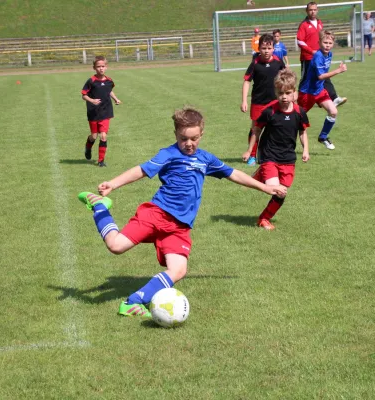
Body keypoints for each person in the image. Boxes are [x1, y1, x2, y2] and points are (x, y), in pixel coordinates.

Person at [77, 107, 287, 317]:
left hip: (180, 227)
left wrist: (266, 188)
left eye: (194, 138)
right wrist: (112, 184)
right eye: (183, 138)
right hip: (157, 214)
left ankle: (134, 302)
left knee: (179, 270)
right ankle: (100, 207)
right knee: (115, 246)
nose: (189, 144)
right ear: (176, 135)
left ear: (201, 135)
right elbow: (141, 170)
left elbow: (234, 174)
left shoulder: (205, 159)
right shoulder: (168, 154)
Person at [242, 69, 309, 230]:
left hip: (288, 159)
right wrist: (249, 150)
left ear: (294, 93)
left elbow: (303, 132)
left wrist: (305, 149)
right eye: (280, 93)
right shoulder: (269, 111)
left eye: (288, 93)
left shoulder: (300, 113)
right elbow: (256, 130)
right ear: (275, 92)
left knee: (282, 193)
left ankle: (260, 178)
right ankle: (264, 219)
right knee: (276, 190)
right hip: (269, 155)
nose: (284, 97)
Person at [241, 33, 286, 166]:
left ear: (273, 48)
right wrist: (244, 100)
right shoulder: (255, 63)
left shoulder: (278, 62)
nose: (266, 51)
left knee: (275, 129)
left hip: (274, 102)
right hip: (258, 102)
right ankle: (252, 155)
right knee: (255, 129)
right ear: (259, 49)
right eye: (263, 48)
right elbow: (247, 82)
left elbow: (286, 78)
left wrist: (292, 94)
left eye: (269, 48)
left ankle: (272, 154)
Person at [298, 30, 347, 150]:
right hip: (307, 93)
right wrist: (338, 71)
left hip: (319, 91)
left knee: (333, 112)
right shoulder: (318, 56)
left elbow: (321, 77)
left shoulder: (329, 54)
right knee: (297, 120)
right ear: (319, 42)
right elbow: (320, 76)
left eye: (330, 43)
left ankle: (323, 137)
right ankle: (283, 141)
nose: (327, 45)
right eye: (325, 42)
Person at [296, 1, 347, 107]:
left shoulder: (319, 23)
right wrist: (311, 51)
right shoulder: (304, 25)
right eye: (310, 10)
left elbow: (323, 37)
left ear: (317, 10)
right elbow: (300, 41)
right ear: (307, 11)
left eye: (314, 10)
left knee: (324, 76)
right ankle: (299, 99)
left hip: (320, 55)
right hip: (308, 57)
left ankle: (333, 97)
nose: (313, 12)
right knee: (306, 79)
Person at [82, 55, 121, 167]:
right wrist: (92, 100)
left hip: (106, 111)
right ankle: (88, 147)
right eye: (98, 66)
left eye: (103, 66)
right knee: (94, 136)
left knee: (103, 136)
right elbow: (84, 95)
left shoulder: (109, 81)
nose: (101, 68)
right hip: (93, 112)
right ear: (94, 67)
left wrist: (116, 99)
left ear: (106, 67)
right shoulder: (91, 81)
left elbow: (109, 91)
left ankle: (101, 161)